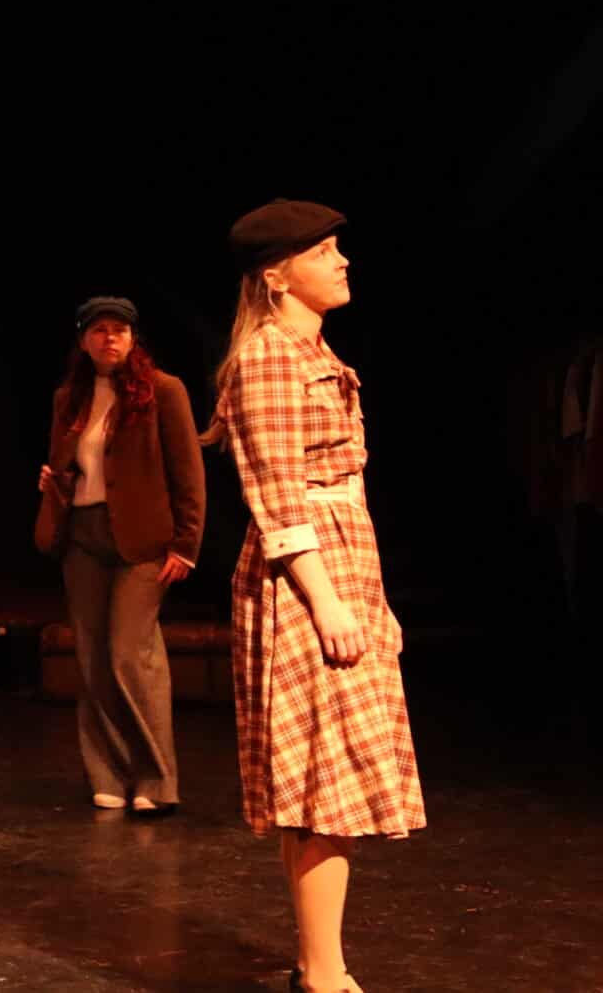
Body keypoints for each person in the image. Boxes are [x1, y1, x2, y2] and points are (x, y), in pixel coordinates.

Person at [202, 200, 424, 993]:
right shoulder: (268, 358)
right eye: (324, 252)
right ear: (276, 276)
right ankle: (325, 974)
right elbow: (277, 494)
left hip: (342, 565)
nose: (342, 262)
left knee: (330, 780)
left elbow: (345, 493)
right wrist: (327, 602)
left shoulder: (314, 352)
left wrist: (374, 601)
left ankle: (314, 961)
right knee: (325, 785)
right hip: (304, 579)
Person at [34, 296, 205, 817]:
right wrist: (53, 480)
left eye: (121, 331)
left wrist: (187, 544)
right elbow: (67, 463)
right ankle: (107, 773)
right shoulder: (70, 397)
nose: (111, 339)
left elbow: (189, 471)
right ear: (84, 339)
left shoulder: (163, 392)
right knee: (91, 658)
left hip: (143, 541)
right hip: (82, 535)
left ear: (134, 340)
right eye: (100, 331)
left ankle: (156, 778)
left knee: (130, 654)